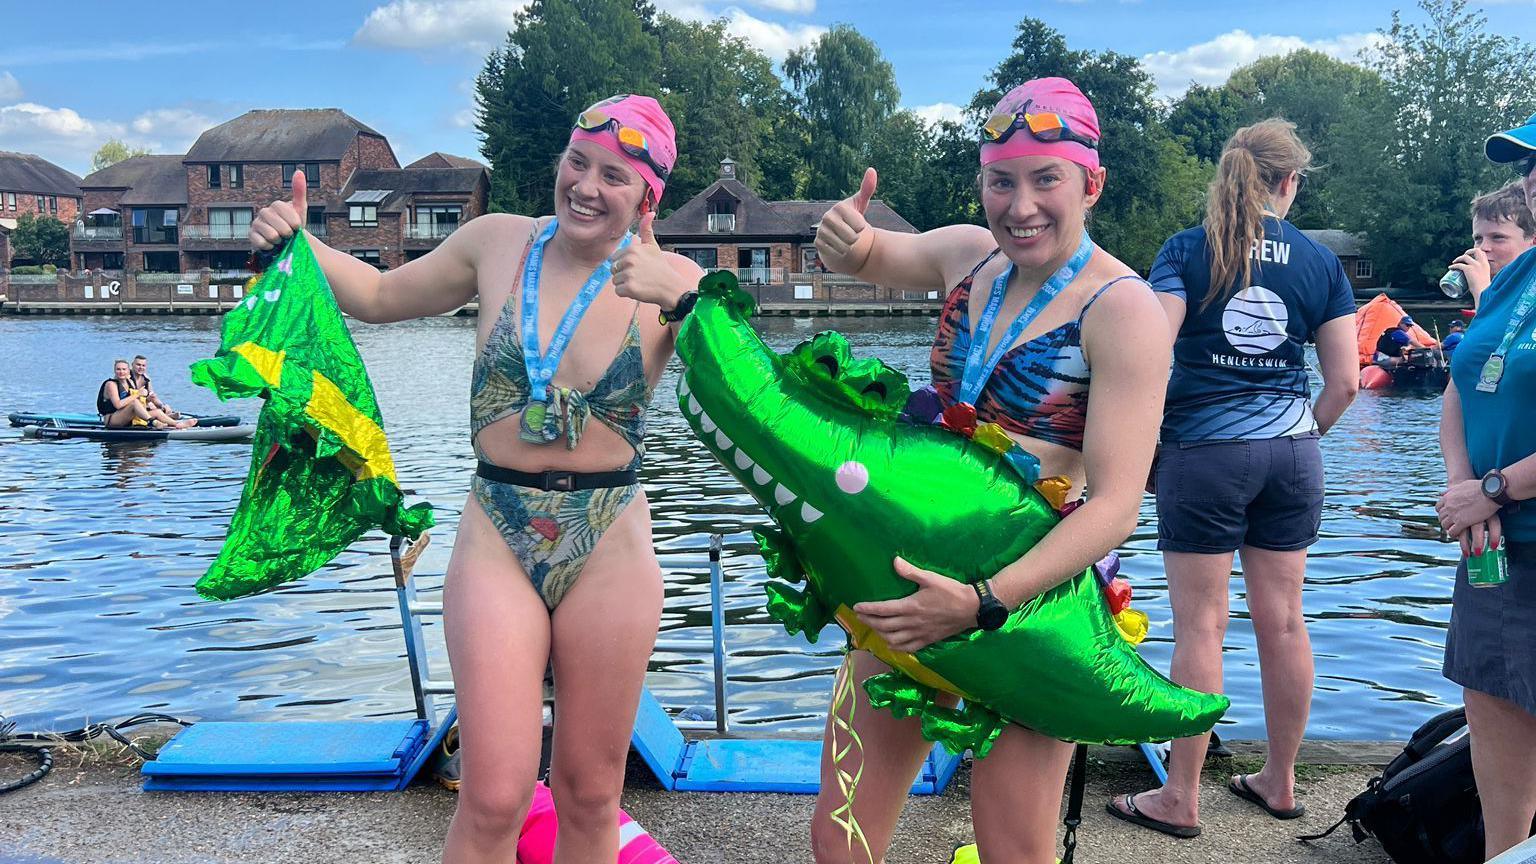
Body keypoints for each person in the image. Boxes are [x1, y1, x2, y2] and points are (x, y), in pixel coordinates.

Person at [250, 94, 702, 864]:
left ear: (648, 196)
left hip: (610, 541)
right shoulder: (499, 244)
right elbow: (383, 297)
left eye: (615, 176)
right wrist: (298, 241)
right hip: (497, 527)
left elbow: (748, 393)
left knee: (592, 795)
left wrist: (686, 302)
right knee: (494, 794)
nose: (587, 186)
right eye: (578, 163)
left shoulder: (675, 280)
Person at [810, 77, 1169, 864]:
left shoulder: (1123, 310)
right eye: (1001, 181)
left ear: (1091, 183)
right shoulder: (968, 257)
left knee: (1013, 848)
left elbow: (1114, 507)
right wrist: (839, 235)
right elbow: (868, 254)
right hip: (913, 579)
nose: (1020, 205)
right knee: (839, 840)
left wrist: (981, 604)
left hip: (1036, 604)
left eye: (1047, 179)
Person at [1108, 119, 1359, 838]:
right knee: (1283, 620)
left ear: (1226, 176)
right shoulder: (1320, 262)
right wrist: (1295, 433)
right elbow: (1343, 383)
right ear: (1289, 183)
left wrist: (1138, 446)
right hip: (1294, 453)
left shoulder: (1187, 250)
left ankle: (1179, 797)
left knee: (1202, 626)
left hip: (1204, 453)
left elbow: (1148, 354)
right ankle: (1279, 782)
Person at [1435, 110, 1536, 862]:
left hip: (1507, 514)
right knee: (1496, 726)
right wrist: (1465, 486)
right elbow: (1461, 385)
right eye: (1530, 163)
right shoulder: (1518, 276)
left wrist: (1496, 488)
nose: (1533, 177)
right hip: (1497, 543)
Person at [1449, 181, 1536, 309]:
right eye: (1478, 238)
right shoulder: (1507, 293)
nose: (1482, 248)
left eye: (1498, 237)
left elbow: (1501, 329)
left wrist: (1482, 293)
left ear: (1533, 242)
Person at [98, 359, 193, 428]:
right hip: (112, 420)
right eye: (118, 369)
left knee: (157, 412)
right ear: (115, 370)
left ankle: (177, 424)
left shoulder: (130, 382)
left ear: (128, 371)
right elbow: (118, 405)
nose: (121, 372)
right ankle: (153, 422)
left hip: (127, 418)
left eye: (124, 369)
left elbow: (136, 402)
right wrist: (138, 394)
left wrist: (148, 401)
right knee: (134, 403)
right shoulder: (111, 384)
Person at [128, 355, 183, 420]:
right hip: (131, 407)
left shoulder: (147, 379)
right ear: (132, 365)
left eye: (143, 365)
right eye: (138, 365)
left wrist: (163, 406)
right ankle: (167, 417)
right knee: (151, 406)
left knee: (156, 404)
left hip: (144, 404)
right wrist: (147, 402)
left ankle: (166, 414)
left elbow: (153, 397)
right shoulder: (126, 377)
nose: (141, 367)